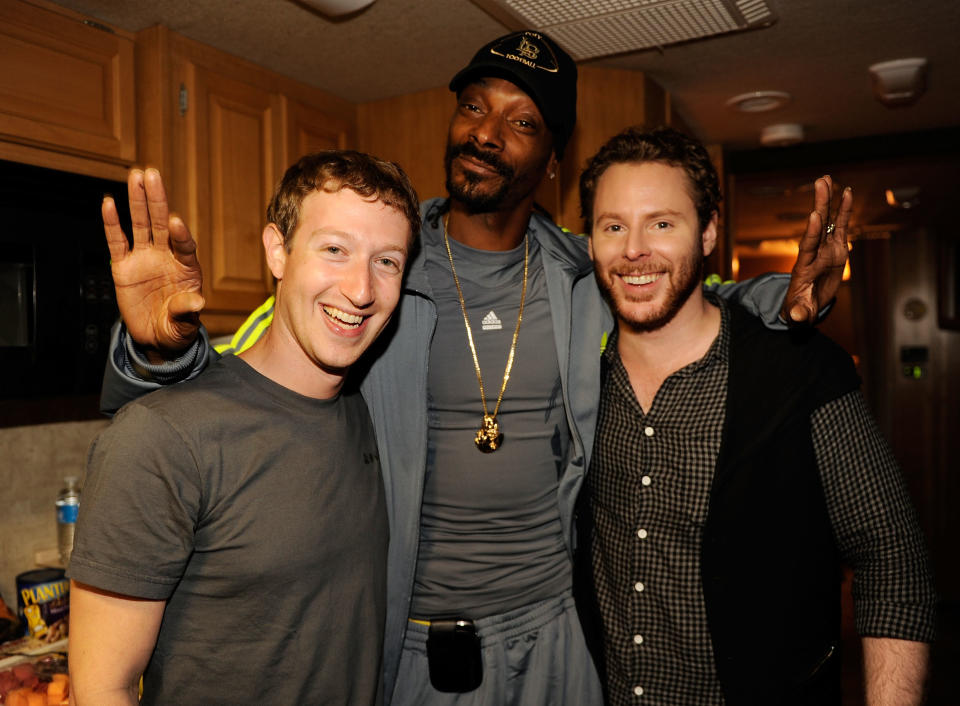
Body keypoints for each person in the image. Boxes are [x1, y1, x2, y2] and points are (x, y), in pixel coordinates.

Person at [96, 31, 849, 705]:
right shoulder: (380, 272)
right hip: (416, 645)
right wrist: (157, 351)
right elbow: (241, 385)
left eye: (521, 123)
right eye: (474, 108)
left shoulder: (583, 279)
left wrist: (786, 296)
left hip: (559, 634)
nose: (486, 134)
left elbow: (691, 291)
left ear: (554, 162)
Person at [576, 126, 937, 706]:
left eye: (662, 223)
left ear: (710, 231)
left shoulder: (797, 371)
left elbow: (890, 557)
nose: (634, 249)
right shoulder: (575, 382)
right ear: (590, 241)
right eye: (613, 226)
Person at [67, 150, 421, 705]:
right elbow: (101, 689)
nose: (361, 290)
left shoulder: (366, 411)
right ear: (278, 250)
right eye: (335, 250)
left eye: (387, 262)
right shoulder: (162, 440)